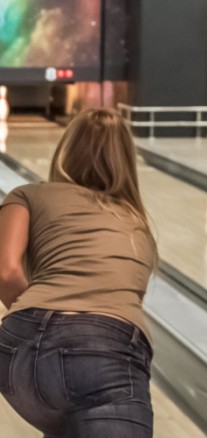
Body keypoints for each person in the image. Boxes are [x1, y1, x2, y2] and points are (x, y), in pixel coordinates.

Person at [0, 108, 158, 437]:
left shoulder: (28, 195)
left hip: (14, 353)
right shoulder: (136, 224)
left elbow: (4, 271)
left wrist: (37, 316)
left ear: (65, 149)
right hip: (101, 353)